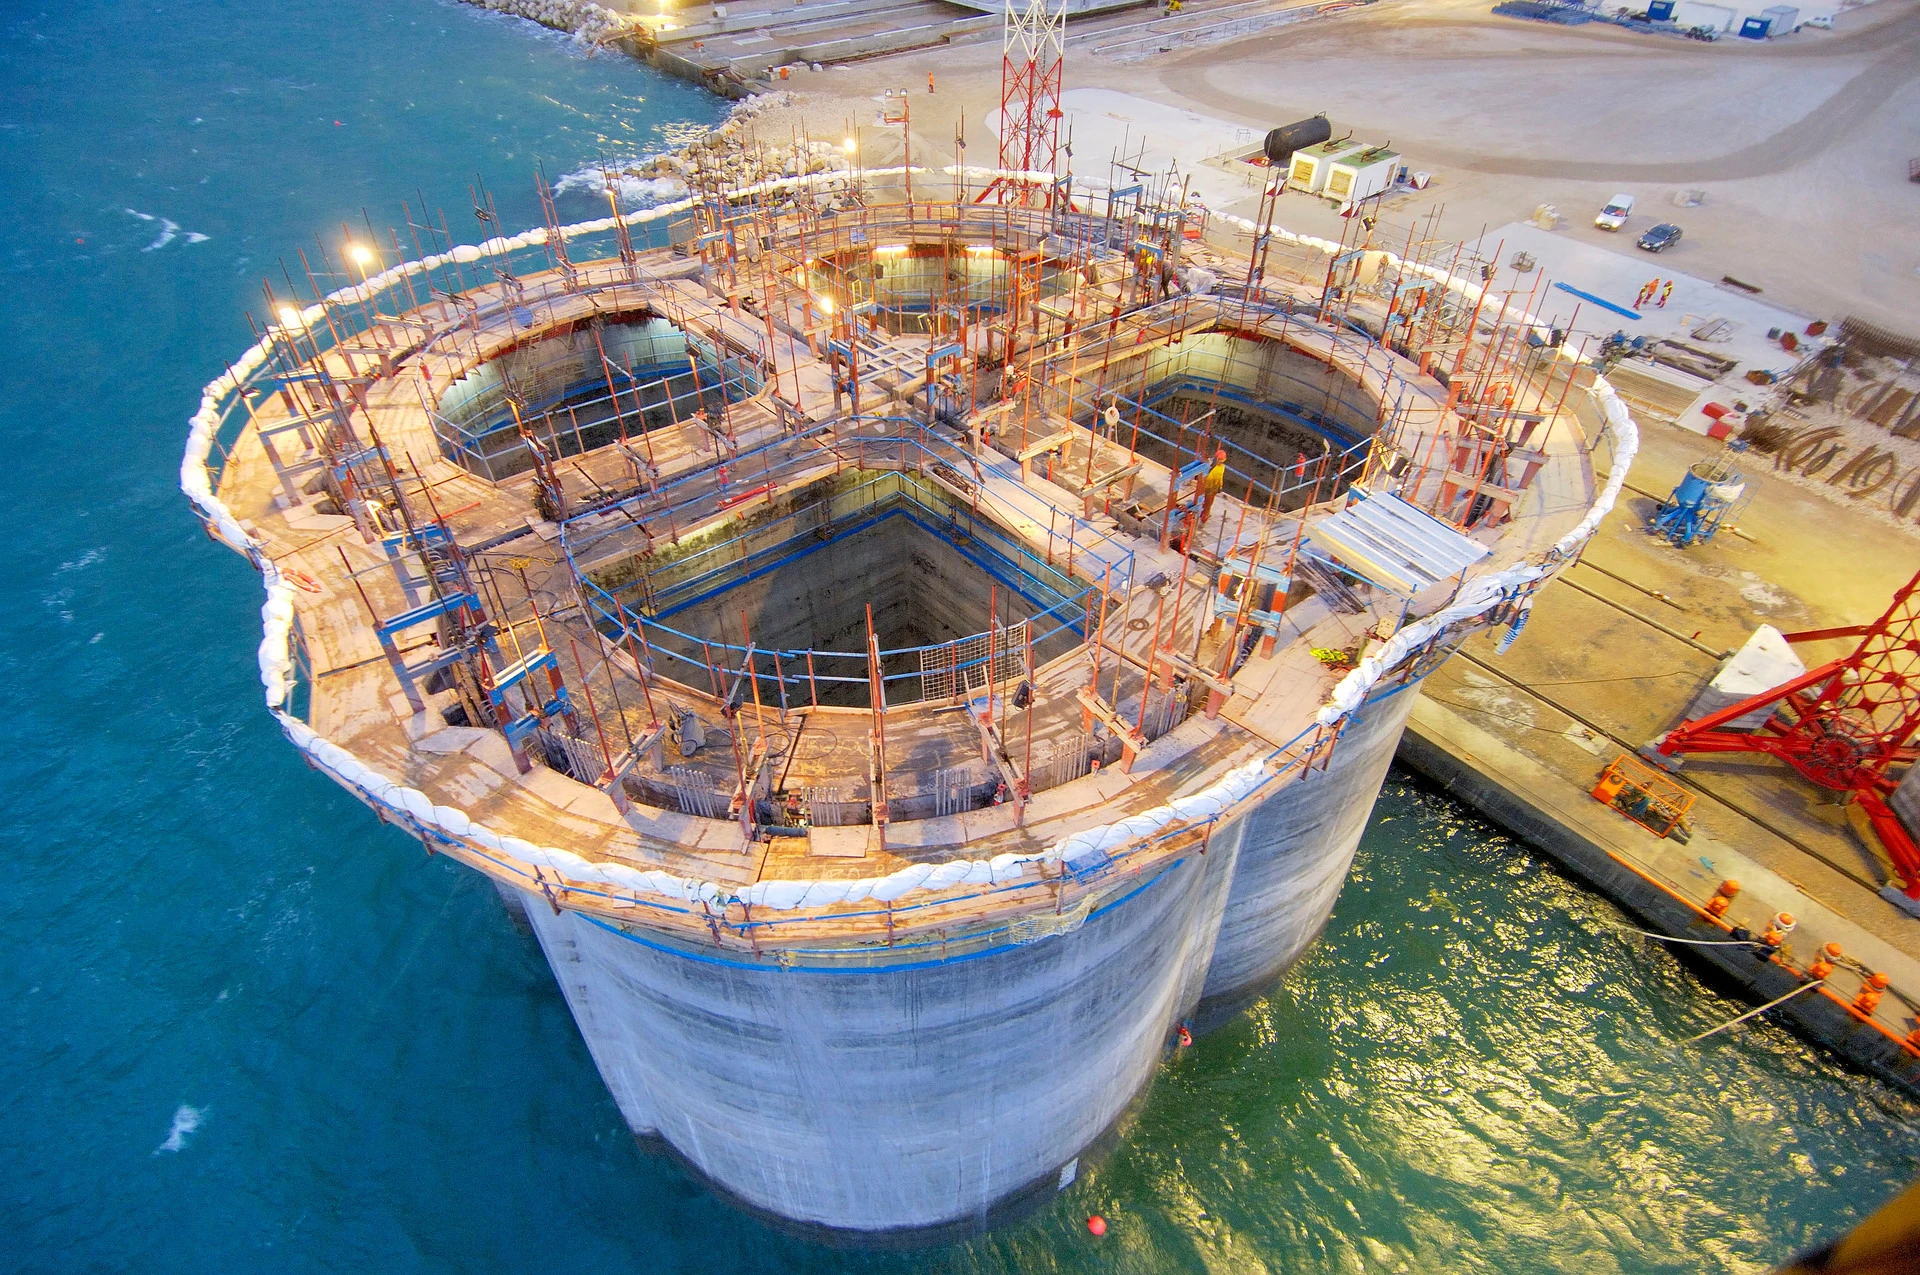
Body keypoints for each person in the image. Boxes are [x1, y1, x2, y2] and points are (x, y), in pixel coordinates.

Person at [1199, 448, 1227, 526]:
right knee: (1207, 504)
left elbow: (1220, 477)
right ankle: (1203, 518)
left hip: (1212, 487)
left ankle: (1203, 516)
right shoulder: (1211, 466)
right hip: (1209, 487)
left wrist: (1220, 487)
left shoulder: (1219, 466)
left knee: (1207, 503)